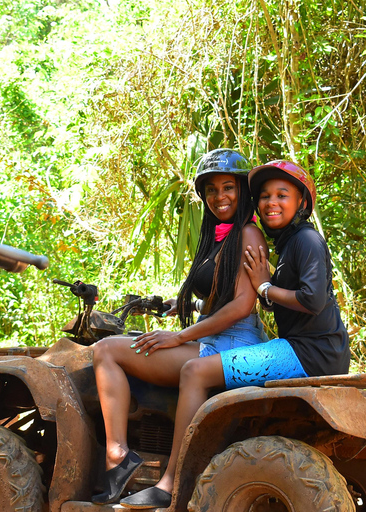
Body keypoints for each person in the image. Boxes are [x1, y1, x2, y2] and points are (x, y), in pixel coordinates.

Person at [118, 159, 351, 509]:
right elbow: (268, 298)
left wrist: (265, 288)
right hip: (305, 348)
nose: (271, 202)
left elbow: (311, 300)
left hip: (309, 353)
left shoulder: (307, 239)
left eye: (282, 195)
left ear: (302, 201)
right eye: (265, 196)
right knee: (198, 368)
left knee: (195, 370)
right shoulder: (290, 243)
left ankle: (172, 481)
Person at [90, 149, 269, 506]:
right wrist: (184, 305)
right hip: (212, 337)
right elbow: (221, 296)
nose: (220, 197)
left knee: (106, 350)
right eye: (212, 190)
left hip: (231, 345)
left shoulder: (248, 234)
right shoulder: (218, 237)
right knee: (115, 347)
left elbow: (242, 305)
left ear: (242, 191)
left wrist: (180, 336)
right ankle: (125, 456)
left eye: (228, 187)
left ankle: (139, 467)